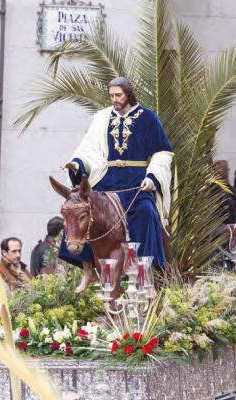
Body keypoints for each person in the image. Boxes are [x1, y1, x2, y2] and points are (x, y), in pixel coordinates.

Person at [59, 76, 173, 291]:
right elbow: (89, 150)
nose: (114, 100)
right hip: (106, 179)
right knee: (78, 208)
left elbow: (163, 152)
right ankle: (87, 270)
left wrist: (152, 177)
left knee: (146, 212)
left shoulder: (148, 118)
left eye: (118, 95)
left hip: (137, 181)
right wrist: (76, 164)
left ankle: (143, 271)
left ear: (128, 94)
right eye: (111, 95)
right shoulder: (102, 118)